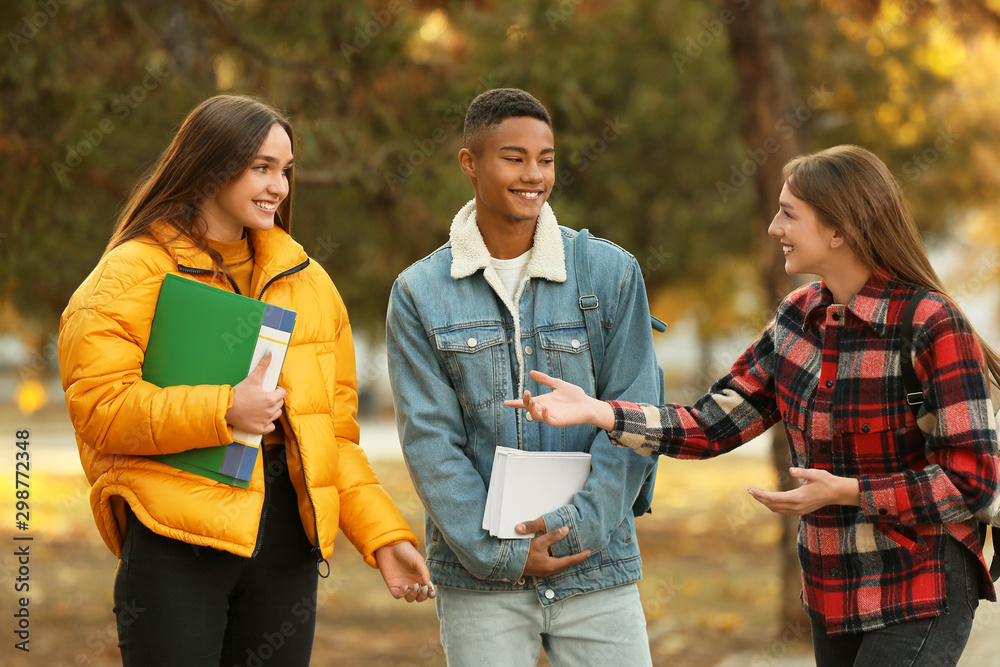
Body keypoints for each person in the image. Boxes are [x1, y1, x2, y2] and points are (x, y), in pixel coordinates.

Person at [507, 144, 1000, 666]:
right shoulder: (797, 318)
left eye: (789, 214)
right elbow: (712, 425)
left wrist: (853, 492)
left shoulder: (930, 324)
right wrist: (600, 412)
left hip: (921, 582)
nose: (773, 227)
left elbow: (972, 481)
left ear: (839, 230)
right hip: (832, 585)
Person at [58, 94, 433, 667]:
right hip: (174, 535)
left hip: (286, 541)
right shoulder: (129, 273)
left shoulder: (309, 284)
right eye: (261, 167)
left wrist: (384, 537)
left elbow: (332, 438)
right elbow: (100, 410)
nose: (279, 186)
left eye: (285, 170)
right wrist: (224, 410)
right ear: (209, 165)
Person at [386, 87, 662, 666]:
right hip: (480, 578)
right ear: (470, 163)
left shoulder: (610, 272)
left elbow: (636, 418)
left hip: (597, 567)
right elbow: (430, 442)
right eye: (514, 158)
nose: (533, 174)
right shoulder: (420, 293)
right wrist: (504, 554)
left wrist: (576, 527)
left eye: (547, 158)